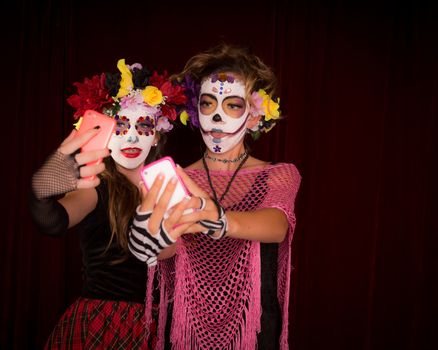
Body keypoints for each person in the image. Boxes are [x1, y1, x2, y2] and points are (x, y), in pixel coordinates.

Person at [129, 43, 301, 350]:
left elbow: (276, 226)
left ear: (254, 115)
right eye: (208, 104)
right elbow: (168, 250)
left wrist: (217, 219)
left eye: (233, 105)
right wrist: (151, 239)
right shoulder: (177, 179)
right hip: (183, 337)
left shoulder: (278, 173)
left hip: (255, 336)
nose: (218, 117)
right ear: (195, 111)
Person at [29, 58, 190, 349]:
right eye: (119, 126)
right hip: (103, 324)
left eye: (142, 125)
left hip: (159, 328)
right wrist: (44, 191)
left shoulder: (172, 188)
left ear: (156, 135)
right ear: (103, 133)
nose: (130, 135)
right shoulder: (95, 187)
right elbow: (52, 221)